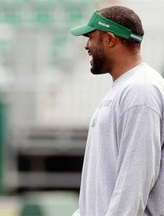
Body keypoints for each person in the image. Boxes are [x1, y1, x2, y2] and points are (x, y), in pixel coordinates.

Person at [70, 5, 164, 216]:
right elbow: (102, 184)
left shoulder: (141, 90)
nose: (87, 45)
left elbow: (135, 180)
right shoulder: (126, 87)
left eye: (91, 37)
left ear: (110, 40)